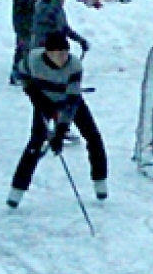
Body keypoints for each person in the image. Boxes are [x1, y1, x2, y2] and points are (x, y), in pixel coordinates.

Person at [8, 32, 108, 209]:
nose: (62, 57)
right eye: (57, 53)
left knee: (93, 137)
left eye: (65, 53)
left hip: (68, 99)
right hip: (43, 102)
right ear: (47, 53)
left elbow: (72, 102)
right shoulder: (33, 59)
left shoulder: (74, 66)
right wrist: (33, 93)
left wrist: (60, 131)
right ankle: (16, 191)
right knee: (35, 143)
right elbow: (19, 73)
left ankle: (100, 181)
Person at [10, 0, 39, 85]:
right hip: (23, 22)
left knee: (28, 48)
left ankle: (24, 72)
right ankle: (17, 73)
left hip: (30, 21)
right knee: (23, 47)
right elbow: (23, 2)